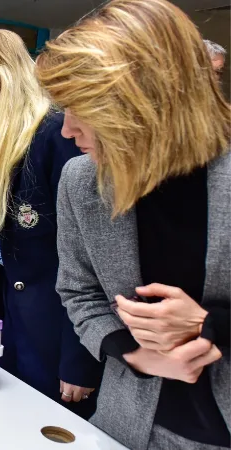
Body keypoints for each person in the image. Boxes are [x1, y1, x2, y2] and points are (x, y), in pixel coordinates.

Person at [37, 0, 230, 447]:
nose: (66, 131)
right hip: (124, 426)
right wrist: (136, 355)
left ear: (146, 100)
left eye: (82, 107)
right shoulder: (81, 181)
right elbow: (78, 292)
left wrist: (210, 323)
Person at [0, 29, 103, 418]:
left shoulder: (55, 140)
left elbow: (88, 260)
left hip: (60, 344)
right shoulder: (3, 148)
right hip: (19, 332)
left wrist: (80, 360)